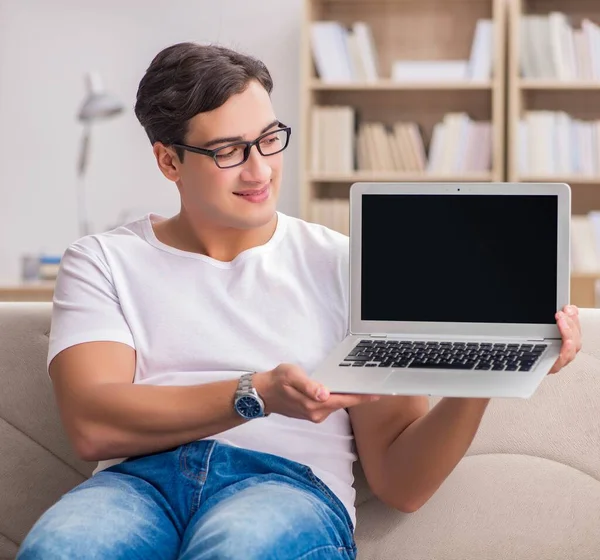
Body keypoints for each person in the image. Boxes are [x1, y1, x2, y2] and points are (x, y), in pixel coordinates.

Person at [17, 43, 582, 560]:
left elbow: (402, 483)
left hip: (285, 486)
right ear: (169, 162)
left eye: (267, 139)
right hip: (137, 484)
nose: (260, 170)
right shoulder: (103, 261)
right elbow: (93, 423)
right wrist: (257, 394)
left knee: (239, 549)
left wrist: (486, 374)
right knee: (65, 548)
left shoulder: (349, 266)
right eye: (229, 152)